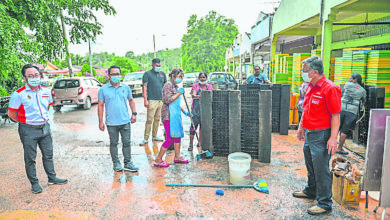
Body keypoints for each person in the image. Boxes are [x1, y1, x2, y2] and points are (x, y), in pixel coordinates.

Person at [8, 64, 68, 194]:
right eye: (30, 76)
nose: (34, 78)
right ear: (24, 78)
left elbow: (49, 106)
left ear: (40, 76)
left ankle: (52, 178)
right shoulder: (18, 94)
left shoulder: (46, 91)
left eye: (36, 75)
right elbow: (11, 113)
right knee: (30, 158)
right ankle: (34, 183)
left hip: (45, 128)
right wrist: (25, 123)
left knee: (48, 154)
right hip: (28, 130)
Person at [294, 56, 341, 215]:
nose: (303, 73)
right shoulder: (310, 86)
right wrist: (301, 126)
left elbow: (335, 115)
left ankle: (324, 203)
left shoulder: (330, 88)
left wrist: (333, 138)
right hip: (309, 133)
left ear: (315, 72)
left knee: (321, 169)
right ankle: (311, 190)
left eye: (305, 71)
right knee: (311, 165)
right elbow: (306, 109)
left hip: (321, 135)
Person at [98, 65, 139, 172]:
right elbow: (101, 105)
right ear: (109, 76)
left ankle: (128, 162)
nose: (116, 76)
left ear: (120, 75)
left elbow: (131, 100)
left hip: (125, 121)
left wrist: (134, 113)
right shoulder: (103, 90)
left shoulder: (126, 88)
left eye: (117, 74)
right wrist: (100, 122)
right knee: (113, 143)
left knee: (126, 142)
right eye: (113, 74)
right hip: (111, 122)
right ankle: (116, 162)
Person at [154, 68, 190, 167]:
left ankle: (177, 157)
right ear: (173, 76)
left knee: (177, 136)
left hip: (176, 115)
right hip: (168, 115)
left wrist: (184, 111)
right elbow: (168, 100)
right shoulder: (168, 85)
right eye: (179, 77)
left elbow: (175, 102)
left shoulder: (175, 86)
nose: (181, 79)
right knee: (169, 138)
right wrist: (179, 93)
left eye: (182, 77)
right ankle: (158, 159)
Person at [336, 74, 366, 155]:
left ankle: (330, 145)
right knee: (344, 130)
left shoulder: (347, 84)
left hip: (341, 108)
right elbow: (363, 102)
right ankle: (339, 148)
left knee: (336, 127)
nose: (349, 79)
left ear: (354, 79)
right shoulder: (363, 90)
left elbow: (339, 93)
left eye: (350, 78)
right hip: (352, 112)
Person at [140, 58, 167, 145]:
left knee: (157, 119)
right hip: (151, 100)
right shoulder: (147, 74)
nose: (158, 67)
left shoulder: (162, 74)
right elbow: (145, 87)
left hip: (161, 100)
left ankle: (154, 136)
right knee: (149, 119)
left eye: (159, 65)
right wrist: (145, 100)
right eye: (157, 65)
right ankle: (145, 138)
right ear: (152, 65)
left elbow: (165, 86)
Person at [188, 72, 213, 151]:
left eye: (204, 77)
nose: (202, 79)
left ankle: (199, 142)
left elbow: (212, 95)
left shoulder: (209, 86)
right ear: (198, 79)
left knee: (203, 127)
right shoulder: (196, 86)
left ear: (206, 78)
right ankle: (191, 144)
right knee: (193, 126)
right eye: (201, 77)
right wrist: (200, 96)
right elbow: (193, 95)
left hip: (205, 110)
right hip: (196, 110)